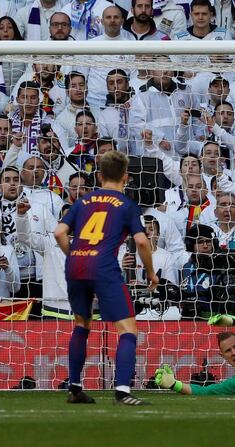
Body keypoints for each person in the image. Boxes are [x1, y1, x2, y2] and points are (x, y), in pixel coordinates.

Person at [54, 151, 159, 405]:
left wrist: (78, 255)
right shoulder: (126, 204)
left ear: (99, 175)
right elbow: (142, 241)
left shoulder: (83, 201)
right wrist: (150, 272)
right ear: (126, 177)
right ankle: (122, 391)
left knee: (81, 324)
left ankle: (75, 388)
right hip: (103, 266)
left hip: (75, 264)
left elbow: (59, 233)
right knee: (127, 329)